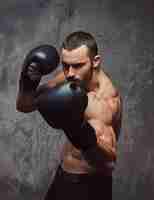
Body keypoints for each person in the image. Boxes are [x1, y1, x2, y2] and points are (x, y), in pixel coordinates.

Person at [16, 31, 122, 200]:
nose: (70, 73)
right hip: (63, 176)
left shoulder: (105, 102)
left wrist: (78, 130)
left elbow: (108, 161)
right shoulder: (71, 77)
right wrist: (28, 82)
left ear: (95, 61)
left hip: (89, 187)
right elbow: (24, 106)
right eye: (65, 65)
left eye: (78, 65)